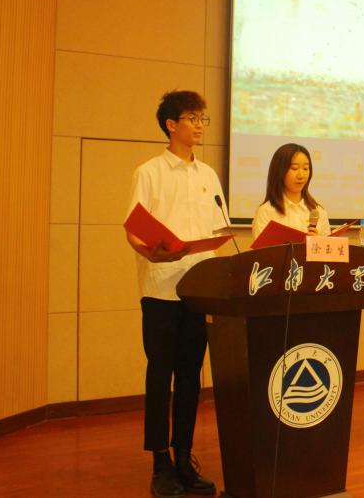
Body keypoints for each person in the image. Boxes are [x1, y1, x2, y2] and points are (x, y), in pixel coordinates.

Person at [125, 90, 220, 498]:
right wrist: (152, 251)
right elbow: (134, 229)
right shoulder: (148, 172)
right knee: (160, 375)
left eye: (202, 118)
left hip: (198, 289)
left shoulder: (208, 175)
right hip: (161, 289)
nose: (199, 125)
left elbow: (217, 229)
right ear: (171, 124)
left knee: (190, 377)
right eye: (192, 118)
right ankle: (160, 464)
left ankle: (184, 457)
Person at [251, 143, 331, 238]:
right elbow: (263, 247)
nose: (301, 175)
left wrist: (317, 242)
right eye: (294, 168)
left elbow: (328, 246)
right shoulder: (266, 212)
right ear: (280, 171)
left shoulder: (318, 211)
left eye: (306, 168)